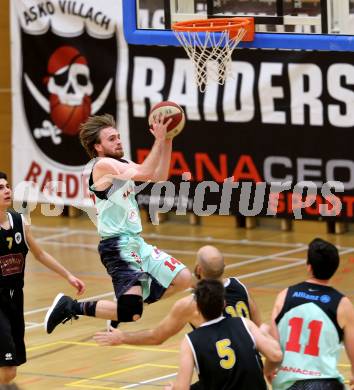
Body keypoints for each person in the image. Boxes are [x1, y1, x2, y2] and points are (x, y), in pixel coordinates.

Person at [44, 113, 192, 334]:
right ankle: (70, 306)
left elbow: (158, 176)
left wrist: (168, 140)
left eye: (118, 136)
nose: (119, 141)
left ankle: (126, 303)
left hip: (136, 243)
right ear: (98, 147)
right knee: (131, 314)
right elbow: (145, 172)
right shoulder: (101, 165)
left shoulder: (122, 163)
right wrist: (159, 140)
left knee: (183, 279)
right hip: (117, 247)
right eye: (112, 139)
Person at [0, 172, 85, 384]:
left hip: (14, 300)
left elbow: (40, 254)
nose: (7, 190)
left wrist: (68, 275)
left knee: (11, 371)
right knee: (7, 369)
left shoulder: (19, 221)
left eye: (8, 186)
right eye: (0, 188)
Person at [93, 245, 261, 347]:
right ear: (224, 267)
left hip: (220, 372)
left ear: (198, 269)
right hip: (249, 365)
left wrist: (122, 337)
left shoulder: (192, 304)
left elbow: (156, 337)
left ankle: (143, 297)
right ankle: (143, 298)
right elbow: (260, 329)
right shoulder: (240, 287)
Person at [264, 238, 354, 390]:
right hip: (327, 384)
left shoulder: (284, 296)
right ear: (334, 268)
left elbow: (274, 349)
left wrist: (267, 370)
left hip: (289, 385)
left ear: (309, 267)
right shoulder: (342, 304)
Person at [164, 279, 282, 390]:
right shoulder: (244, 323)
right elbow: (276, 355)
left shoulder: (190, 341)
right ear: (224, 304)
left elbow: (182, 388)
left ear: (198, 307)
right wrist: (265, 332)